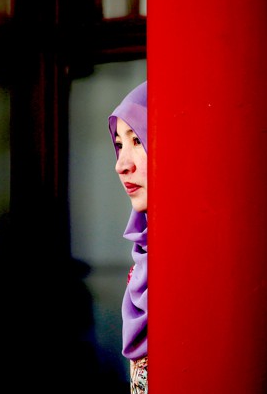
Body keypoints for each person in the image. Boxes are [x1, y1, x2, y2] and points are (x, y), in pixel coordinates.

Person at [108, 81, 148, 394]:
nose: (122, 165)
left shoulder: (195, 258)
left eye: (138, 140)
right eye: (120, 144)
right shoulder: (143, 262)